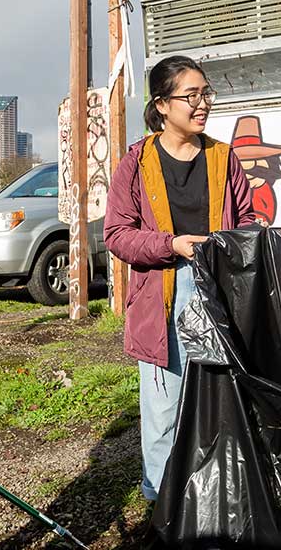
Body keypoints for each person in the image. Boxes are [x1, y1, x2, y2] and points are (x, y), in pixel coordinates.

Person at [104, 55, 255, 503]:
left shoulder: (224, 159)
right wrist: (171, 245)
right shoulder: (136, 162)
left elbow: (247, 218)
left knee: (222, 402)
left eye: (205, 93)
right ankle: (162, 502)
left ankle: (216, 501)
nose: (202, 103)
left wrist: (240, 239)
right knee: (164, 409)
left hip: (217, 292)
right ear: (162, 105)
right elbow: (117, 234)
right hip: (163, 296)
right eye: (191, 96)